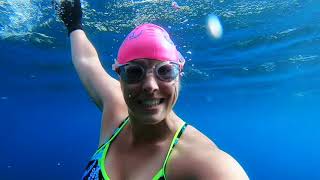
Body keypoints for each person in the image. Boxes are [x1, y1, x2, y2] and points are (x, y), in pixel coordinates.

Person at [54, 0, 249, 179]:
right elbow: (87, 62)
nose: (150, 86)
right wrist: (74, 23)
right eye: (134, 72)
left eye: (165, 71)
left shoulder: (206, 165)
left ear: (179, 73)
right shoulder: (115, 110)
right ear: (119, 75)